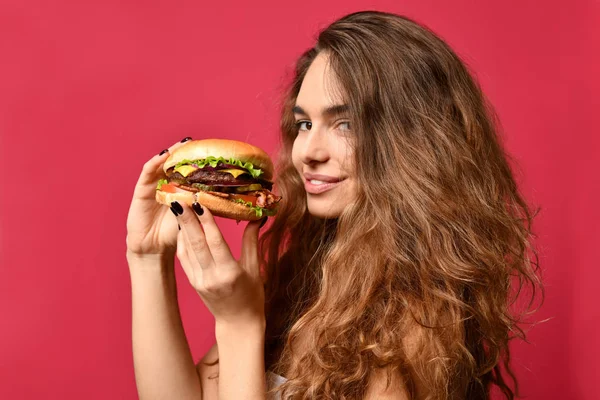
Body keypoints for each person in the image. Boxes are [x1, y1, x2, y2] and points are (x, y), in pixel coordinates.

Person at [125, 10, 542, 400]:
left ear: (415, 143)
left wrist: (238, 326)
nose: (308, 151)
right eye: (305, 123)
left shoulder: (422, 320)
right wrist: (146, 260)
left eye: (346, 124)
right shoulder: (310, 277)